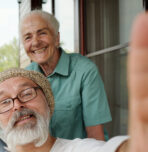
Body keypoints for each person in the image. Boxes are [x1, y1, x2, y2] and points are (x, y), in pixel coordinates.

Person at [0, 13, 148, 152]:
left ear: (57, 37)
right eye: (5, 101)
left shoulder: (84, 70)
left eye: (27, 94)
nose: (17, 105)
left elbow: (96, 149)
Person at [22, 10, 111, 140]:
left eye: (42, 33)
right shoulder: (26, 77)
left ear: (56, 38)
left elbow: (95, 135)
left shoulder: (84, 70)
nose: (35, 42)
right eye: (28, 37)